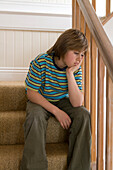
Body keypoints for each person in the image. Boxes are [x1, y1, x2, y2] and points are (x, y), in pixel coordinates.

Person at [20, 29, 91, 170]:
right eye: (76, 53)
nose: (80, 59)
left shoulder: (75, 69)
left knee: (83, 115)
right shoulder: (41, 61)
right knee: (35, 117)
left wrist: (70, 73)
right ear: (63, 48)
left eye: (82, 54)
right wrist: (56, 111)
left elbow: (77, 103)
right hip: (40, 99)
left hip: (62, 100)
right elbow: (31, 93)